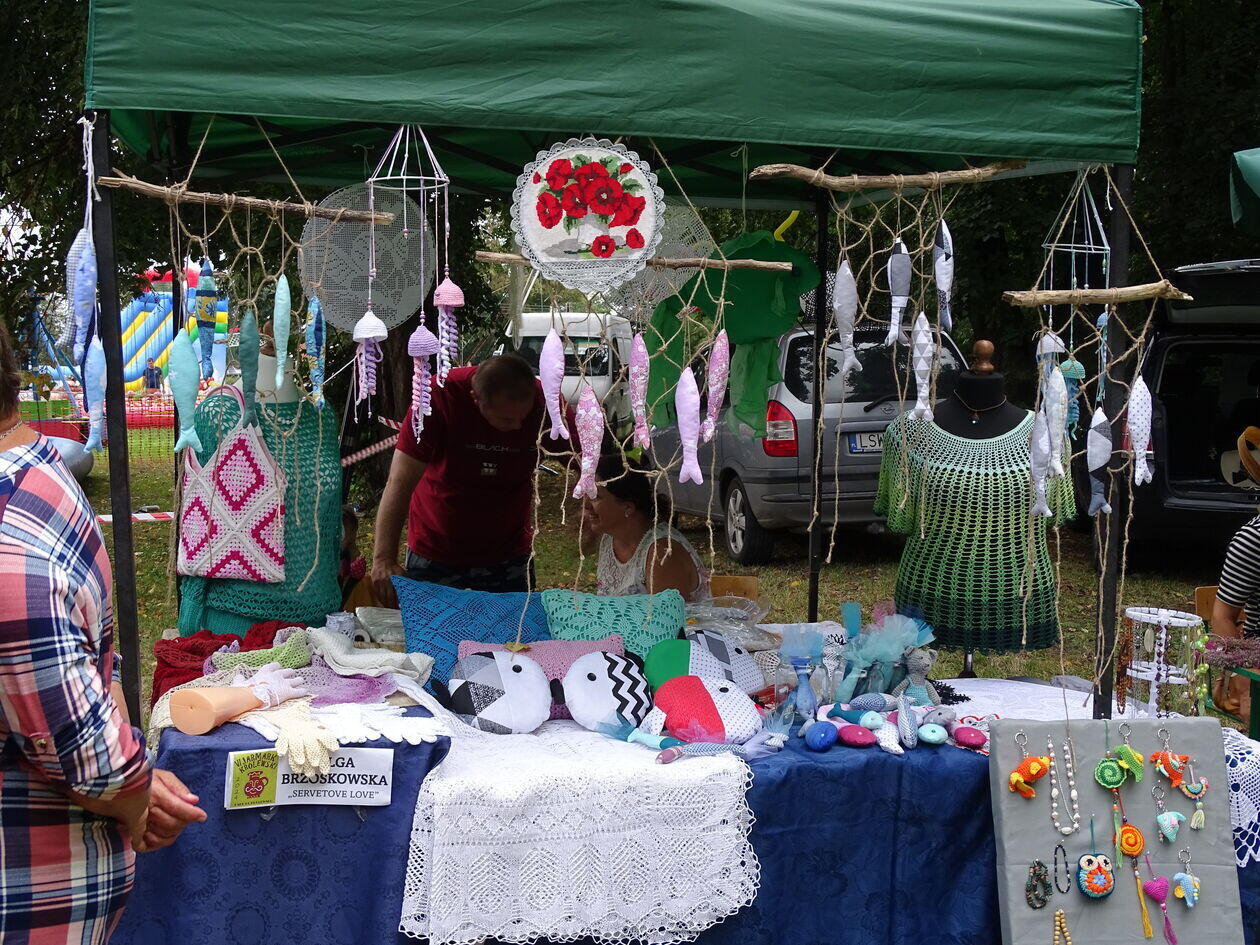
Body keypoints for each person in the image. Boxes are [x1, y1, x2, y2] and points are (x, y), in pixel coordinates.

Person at [0, 325, 205, 941]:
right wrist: (136, 785)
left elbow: (95, 764)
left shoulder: (8, 544)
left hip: (28, 894)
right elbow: (94, 672)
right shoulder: (38, 468)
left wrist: (134, 793)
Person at [372, 354, 569, 603]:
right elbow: (399, 482)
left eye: (524, 416)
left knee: (513, 627)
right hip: (435, 547)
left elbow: (590, 461)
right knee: (432, 624)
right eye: (507, 419)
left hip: (507, 551)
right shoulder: (437, 396)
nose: (518, 426)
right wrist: (383, 558)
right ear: (475, 399)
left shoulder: (547, 402)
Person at [580, 454, 711, 603]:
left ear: (628, 507)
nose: (586, 505)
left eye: (595, 497)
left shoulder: (662, 553)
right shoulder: (609, 540)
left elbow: (667, 616)